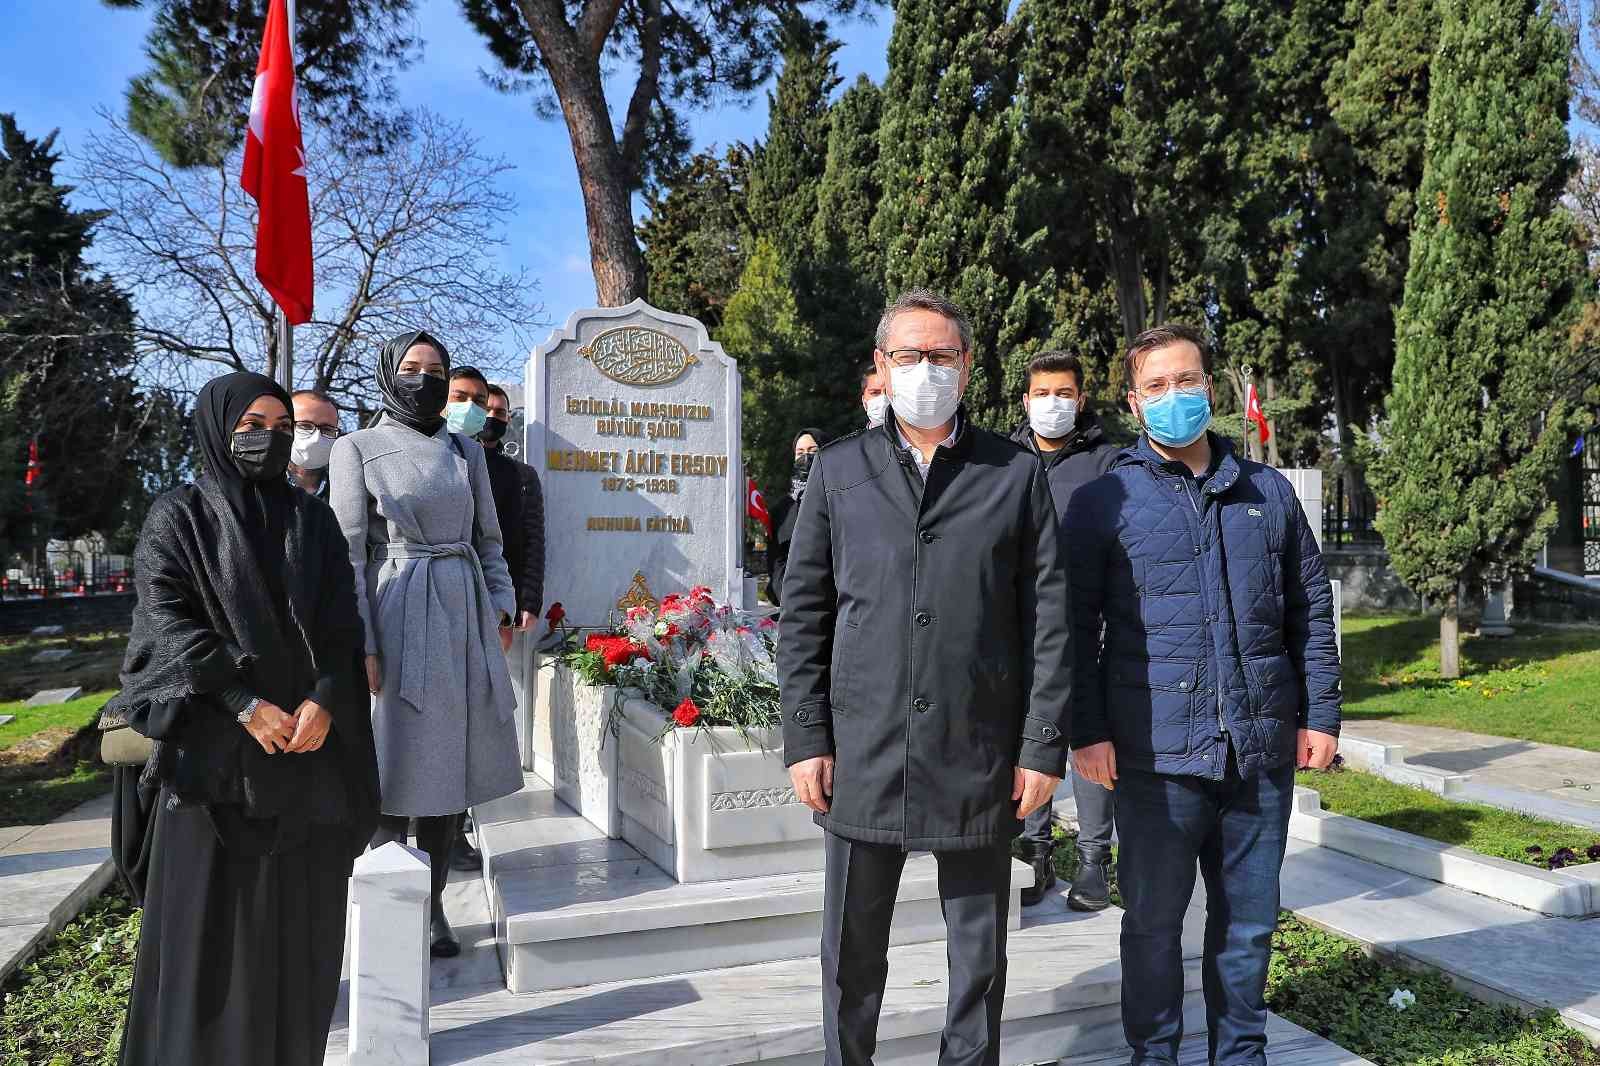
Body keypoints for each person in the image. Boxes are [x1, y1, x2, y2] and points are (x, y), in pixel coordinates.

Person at [780, 287, 1072, 1066]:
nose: (925, 370)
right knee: (851, 951)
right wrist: (806, 737)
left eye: (941, 355)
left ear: (968, 367)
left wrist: (1042, 746)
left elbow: (1049, 618)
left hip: (976, 747)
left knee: (979, 960)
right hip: (863, 747)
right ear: (881, 365)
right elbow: (803, 611)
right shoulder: (840, 471)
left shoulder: (1012, 473)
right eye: (908, 356)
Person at [1064, 324, 1341, 1066]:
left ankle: (1239, 1055)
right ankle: (1154, 1056)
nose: (1174, 397)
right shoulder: (1103, 502)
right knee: (1152, 928)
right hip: (1155, 757)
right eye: (1156, 386)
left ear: (1209, 390)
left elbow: (1308, 609)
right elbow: (1070, 625)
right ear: (1132, 401)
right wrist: (1085, 730)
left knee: (1249, 926)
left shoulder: (1268, 492)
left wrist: (1321, 715)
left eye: (1186, 381)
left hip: (1257, 753)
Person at [110, 371, 379, 1066]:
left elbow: (341, 621)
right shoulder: (180, 516)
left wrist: (325, 696)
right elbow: (167, 622)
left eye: (281, 425)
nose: (270, 437)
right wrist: (242, 704)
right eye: (253, 424)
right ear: (217, 426)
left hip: (307, 766)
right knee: (211, 955)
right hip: (216, 775)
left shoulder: (310, 518)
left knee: (300, 947)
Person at [329, 330, 525, 958]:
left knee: (449, 766)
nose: (423, 377)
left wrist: (497, 603)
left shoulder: (465, 451)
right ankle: (391, 909)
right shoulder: (355, 448)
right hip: (398, 606)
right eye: (411, 367)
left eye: (434, 368)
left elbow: (490, 540)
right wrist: (363, 641)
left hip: (462, 611)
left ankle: (434, 903)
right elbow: (349, 556)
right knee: (396, 763)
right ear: (389, 372)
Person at [1007, 350, 1120, 909]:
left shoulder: (1110, 463)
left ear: (1080, 399)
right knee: (1032, 737)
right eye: (1042, 394)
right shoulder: (1004, 460)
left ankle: (1096, 860)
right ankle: (1035, 851)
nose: (1053, 404)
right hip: (1021, 629)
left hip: (1089, 627)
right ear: (1025, 401)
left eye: (1064, 393)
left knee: (1090, 744)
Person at [481, 381, 546, 623]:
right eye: (486, 409)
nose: (492, 417)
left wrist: (529, 601)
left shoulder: (522, 475)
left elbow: (533, 540)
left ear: (508, 419)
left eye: (499, 412)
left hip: (503, 592)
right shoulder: (451, 461)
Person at [764, 427, 824, 607]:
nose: (806, 457)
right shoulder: (782, 510)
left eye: (813, 451)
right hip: (791, 604)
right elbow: (776, 560)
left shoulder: (841, 501)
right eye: (800, 452)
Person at [287, 389, 340, 499]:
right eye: (305, 426)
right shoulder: (256, 486)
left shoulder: (351, 489)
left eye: (327, 429)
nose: (316, 438)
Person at [861, 362, 887, 426]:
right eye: (874, 393)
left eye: (888, 392)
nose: (883, 400)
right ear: (864, 401)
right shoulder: (859, 436)